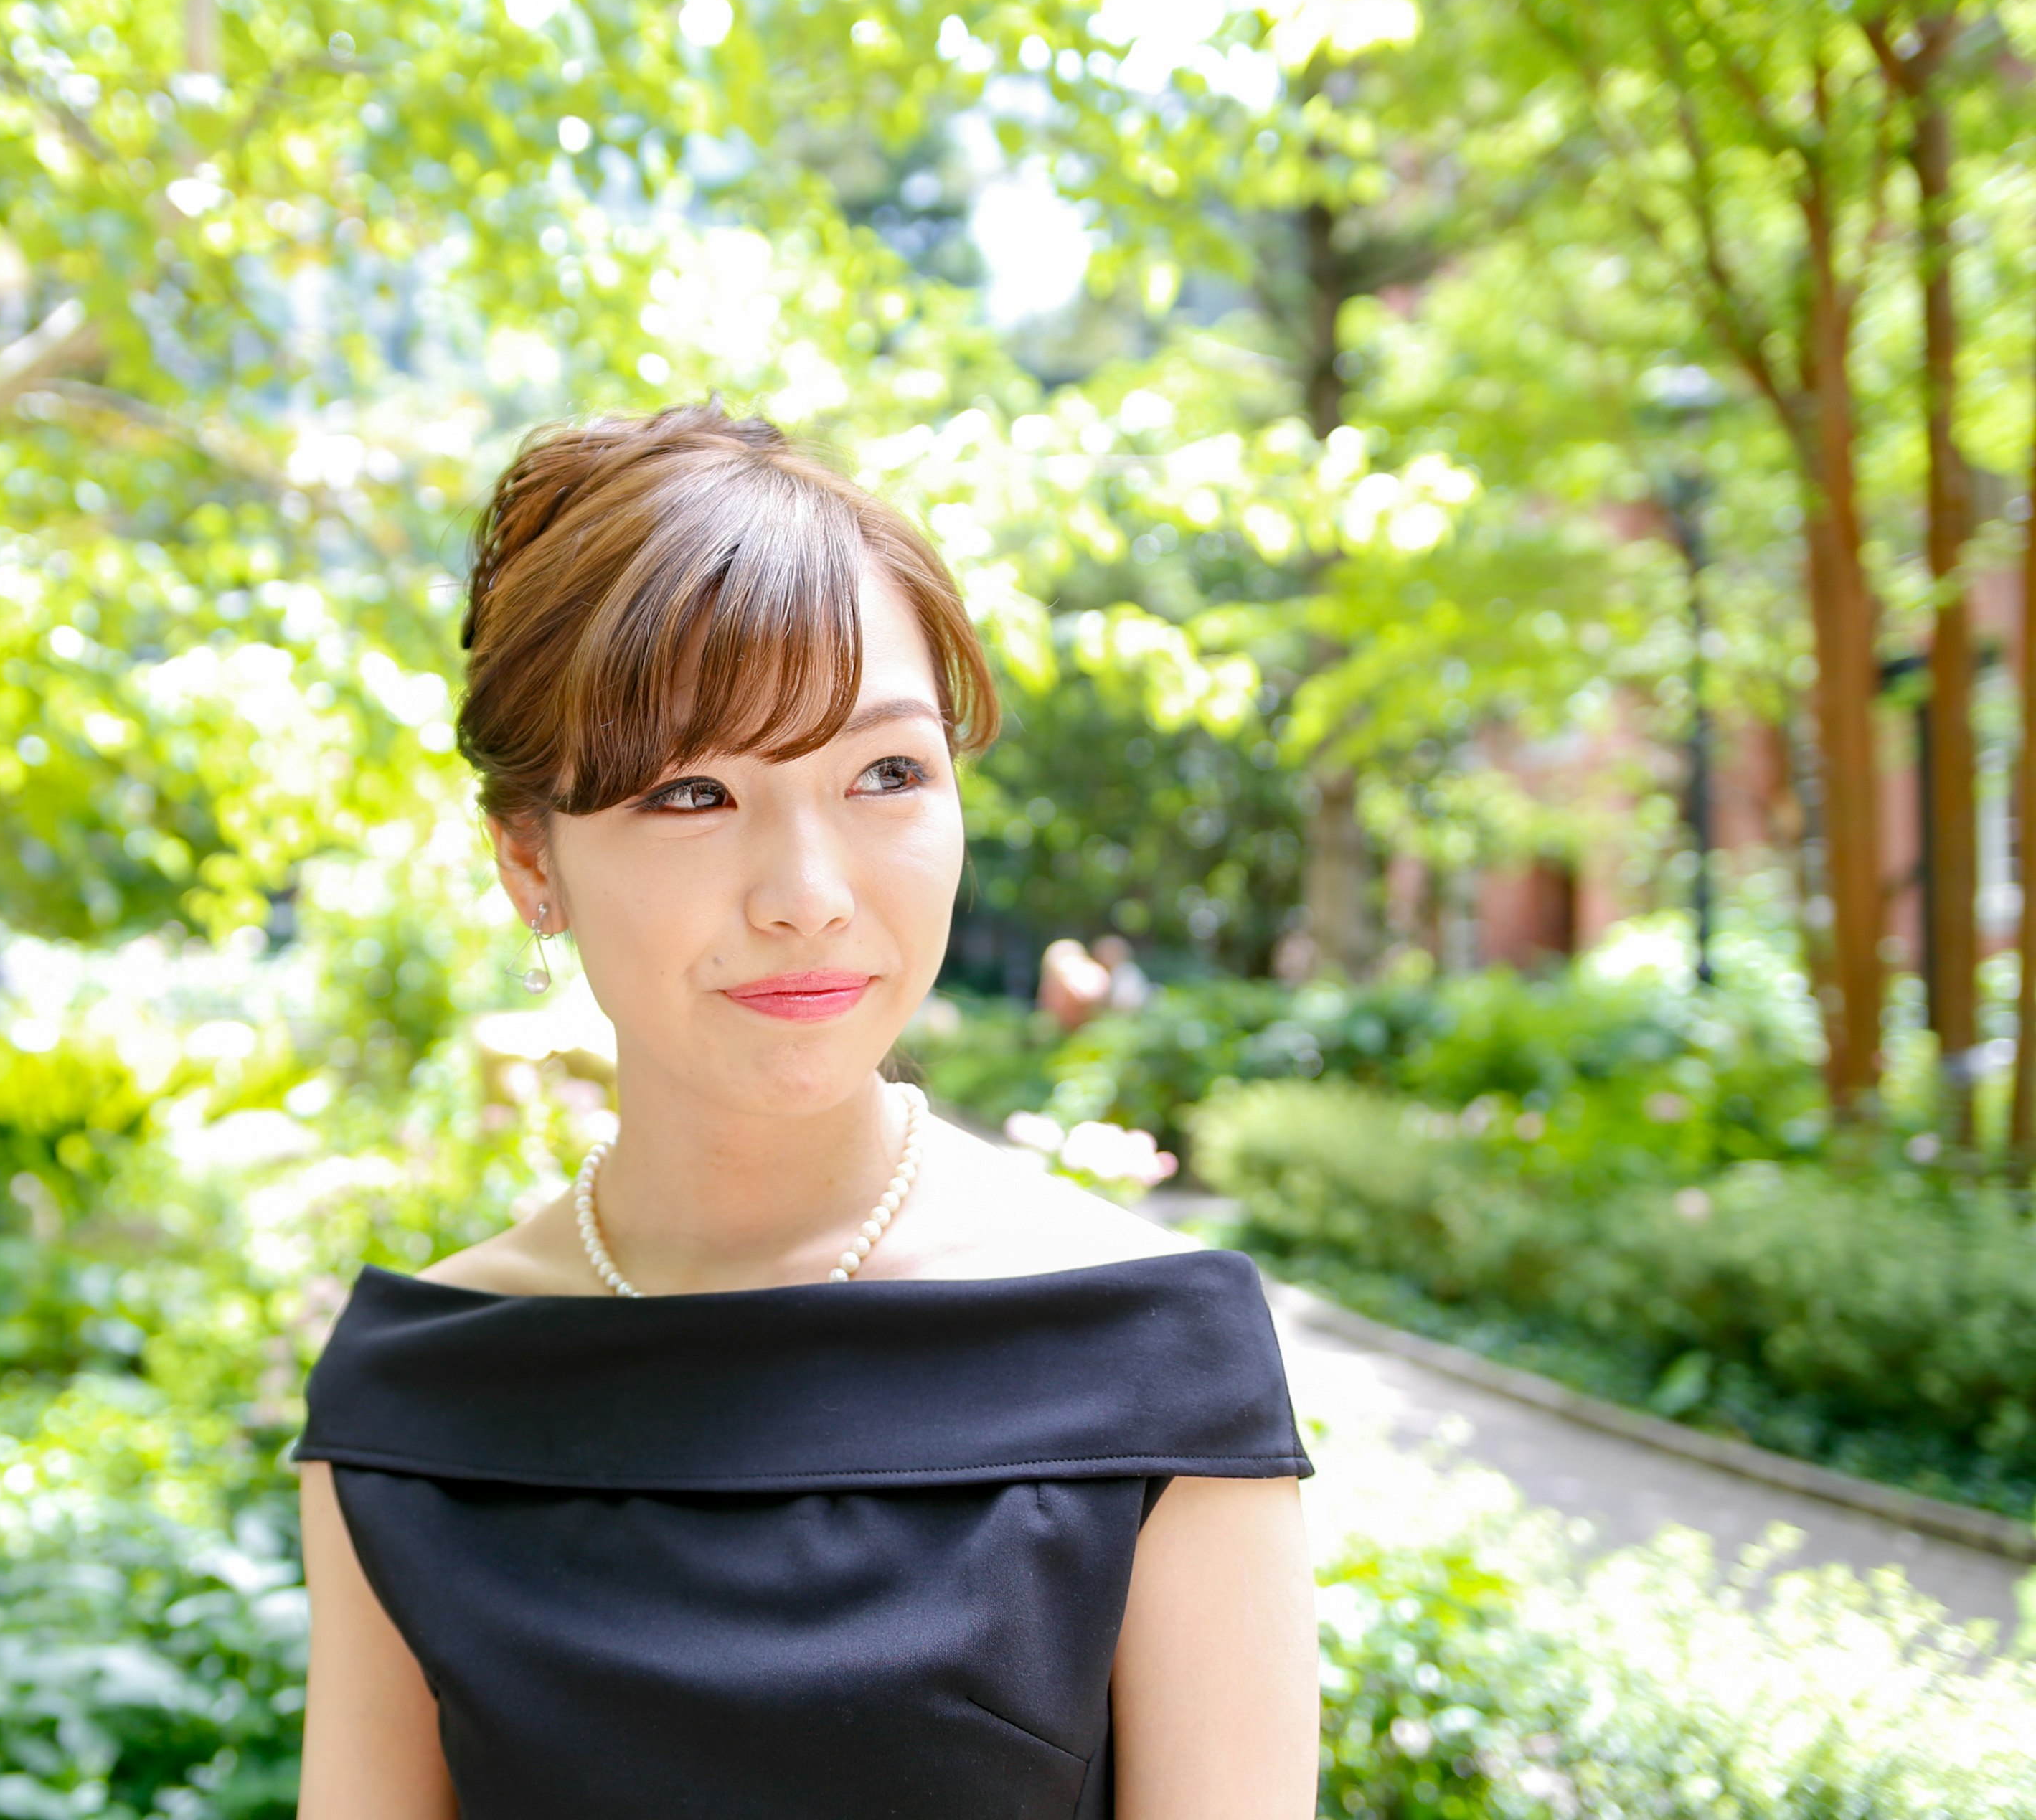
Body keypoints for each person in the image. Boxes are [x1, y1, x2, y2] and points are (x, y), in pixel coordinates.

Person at [294, 404, 1318, 1819]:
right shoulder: (413, 1396)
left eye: (886, 772)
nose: (808, 890)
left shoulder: (1147, 1351)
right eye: (695, 790)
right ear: (531, 859)